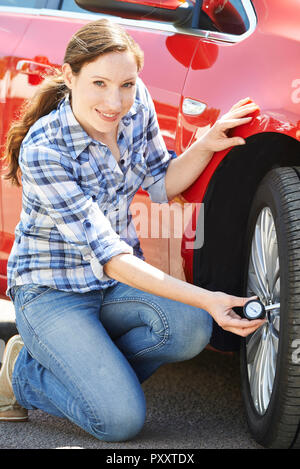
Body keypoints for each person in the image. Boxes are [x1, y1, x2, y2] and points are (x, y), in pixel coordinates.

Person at [0, 19, 264, 440]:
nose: (115, 101)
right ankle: (23, 372)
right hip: (53, 293)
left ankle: (94, 374)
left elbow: (162, 181)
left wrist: (207, 142)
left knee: (192, 328)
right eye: (100, 84)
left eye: (126, 84)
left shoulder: (135, 104)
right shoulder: (45, 151)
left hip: (111, 287)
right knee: (120, 420)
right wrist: (210, 298)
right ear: (70, 77)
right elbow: (112, 258)